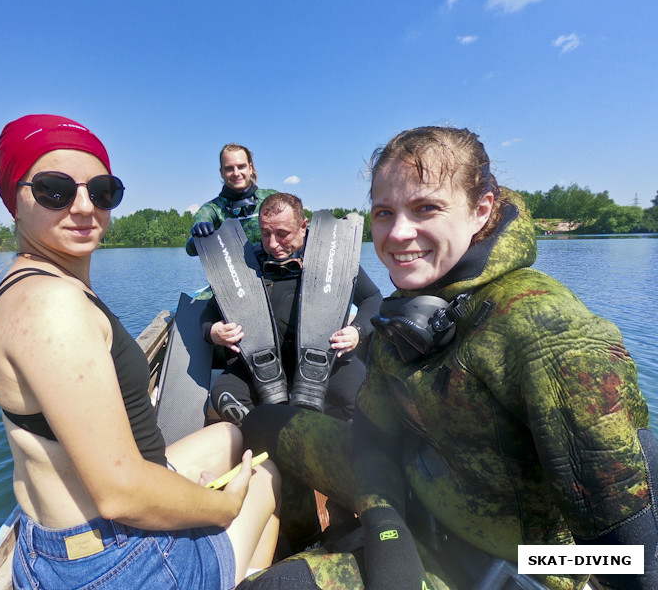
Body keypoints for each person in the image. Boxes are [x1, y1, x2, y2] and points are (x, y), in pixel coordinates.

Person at [240, 126, 658, 590]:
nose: (398, 234)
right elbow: (373, 440)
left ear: (480, 210)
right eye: (384, 212)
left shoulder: (543, 326)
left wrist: (523, 568)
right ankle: (304, 531)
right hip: (412, 500)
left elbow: (629, 557)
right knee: (263, 423)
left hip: (502, 563)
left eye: (426, 208)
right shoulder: (406, 312)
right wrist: (385, 526)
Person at [0, 114, 281, 590]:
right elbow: (122, 493)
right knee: (266, 482)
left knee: (228, 436)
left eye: (102, 192)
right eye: (54, 190)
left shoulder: (23, 282)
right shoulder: (52, 308)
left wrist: (180, 492)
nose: (84, 207)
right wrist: (223, 505)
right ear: (12, 199)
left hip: (59, 541)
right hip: (117, 561)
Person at [202, 192, 382, 424]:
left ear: (303, 226)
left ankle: (322, 438)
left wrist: (357, 331)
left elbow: (373, 298)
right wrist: (213, 331)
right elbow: (209, 312)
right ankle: (273, 435)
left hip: (322, 361)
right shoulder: (247, 264)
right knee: (224, 397)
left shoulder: (333, 259)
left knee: (368, 400)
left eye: (282, 234)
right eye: (266, 234)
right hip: (260, 363)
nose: (273, 244)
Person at [186, 143, 277, 256]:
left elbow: (303, 230)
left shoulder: (273, 198)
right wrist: (198, 235)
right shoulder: (211, 209)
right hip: (234, 272)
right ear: (221, 172)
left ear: (250, 168)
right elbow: (190, 250)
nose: (236, 173)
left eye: (241, 166)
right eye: (229, 168)